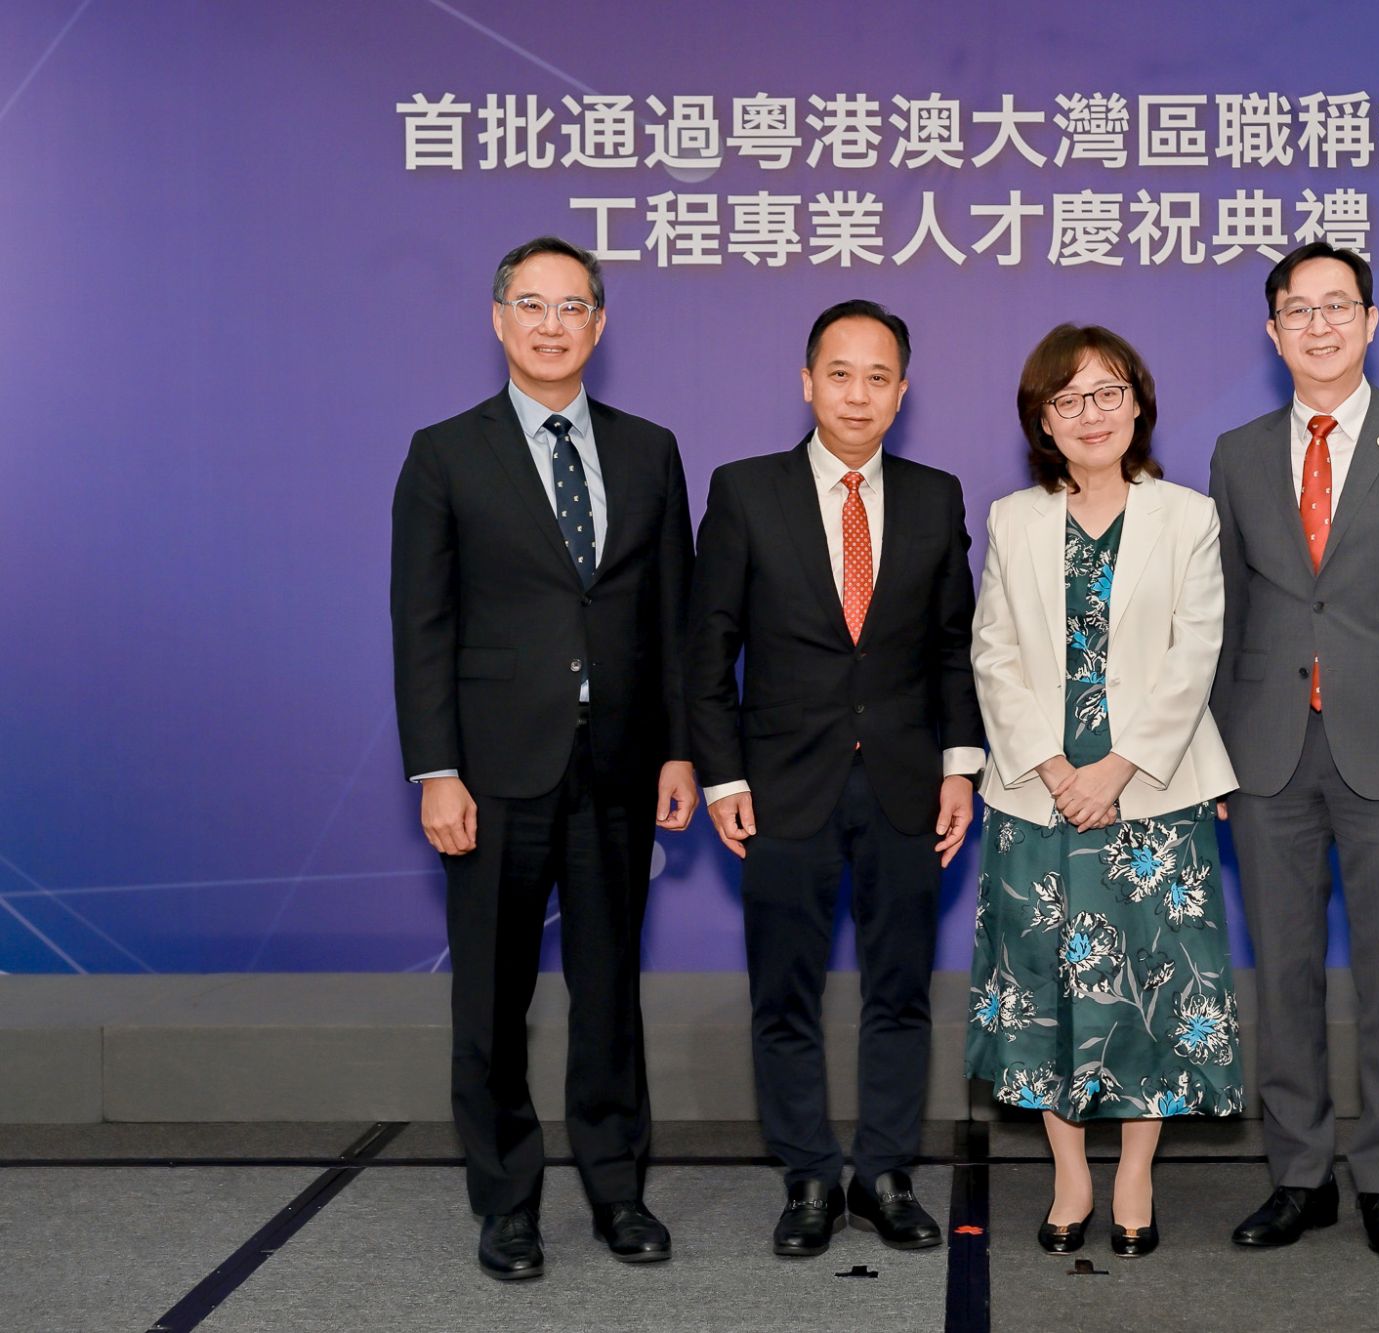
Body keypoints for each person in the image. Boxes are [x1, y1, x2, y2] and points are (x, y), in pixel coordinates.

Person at [390, 236, 696, 1280]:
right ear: (498, 319)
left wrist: (677, 753)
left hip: (616, 766)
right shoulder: (445, 453)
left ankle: (618, 1193)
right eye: (532, 304)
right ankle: (507, 1204)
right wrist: (435, 768)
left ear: (599, 327)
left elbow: (671, 617)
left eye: (573, 307)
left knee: (609, 993)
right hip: (491, 772)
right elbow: (420, 624)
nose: (552, 324)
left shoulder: (650, 449)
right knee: (489, 998)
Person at [687, 299, 983, 1259]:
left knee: (899, 990)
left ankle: (886, 1171)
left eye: (879, 376)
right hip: (780, 786)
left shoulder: (937, 497)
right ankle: (809, 1175)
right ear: (806, 380)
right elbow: (707, 653)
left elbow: (952, 649)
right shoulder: (743, 491)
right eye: (840, 372)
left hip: (905, 782)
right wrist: (724, 775)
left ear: (903, 392)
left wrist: (959, 767)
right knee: (786, 993)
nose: (859, 393)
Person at [1210, 242, 1379, 1256]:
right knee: (1280, 974)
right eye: (1297, 310)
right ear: (1272, 330)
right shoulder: (1237, 453)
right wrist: (1213, 759)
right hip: (1266, 754)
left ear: (1371, 322)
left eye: (1337, 307)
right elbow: (1227, 618)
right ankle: (1295, 1175)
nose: (1317, 326)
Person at [966, 325, 1242, 1259]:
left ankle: (1134, 1171)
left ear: (1138, 404)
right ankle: (1070, 1172)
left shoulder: (1188, 516)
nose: (1091, 414)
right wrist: (1052, 766)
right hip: (1038, 791)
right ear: (1042, 419)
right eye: (1069, 399)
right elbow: (993, 654)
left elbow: (1193, 654)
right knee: (1046, 987)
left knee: (1151, 986)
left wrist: (1118, 768)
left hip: (1153, 791)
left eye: (1108, 393)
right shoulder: (1013, 518)